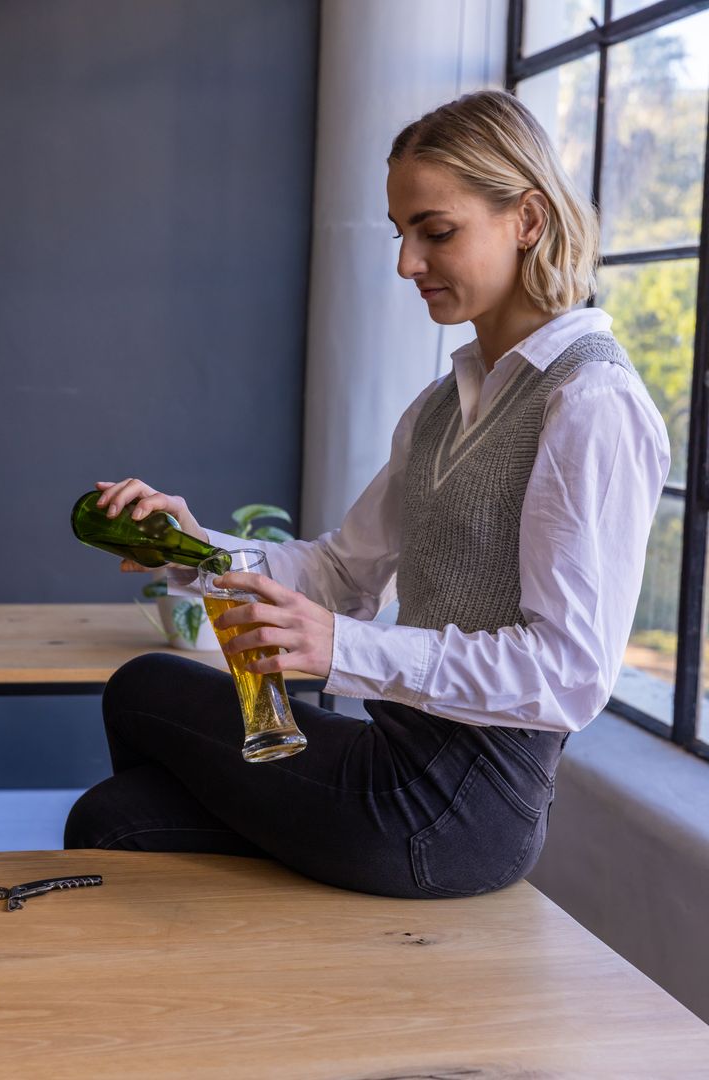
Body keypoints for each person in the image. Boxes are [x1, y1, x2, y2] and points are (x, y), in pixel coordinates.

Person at [65, 90, 670, 899]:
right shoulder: (442, 405)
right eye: (401, 234)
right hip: (394, 754)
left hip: (460, 811)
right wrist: (189, 544)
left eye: (436, 231)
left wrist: (345, 649)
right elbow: (341, 572)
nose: (406, 264)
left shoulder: (590, 402)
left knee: (137, 731)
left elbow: (569, 673)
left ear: (527, 218)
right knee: (121, 793)